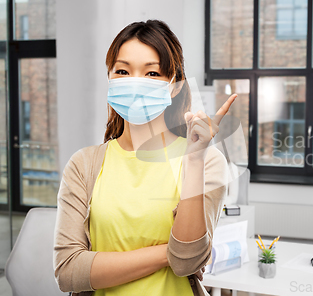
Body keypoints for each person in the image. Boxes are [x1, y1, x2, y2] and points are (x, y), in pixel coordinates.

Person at [53, 20, 236, 296]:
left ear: (174, 85)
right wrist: (167, 254)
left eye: (151, 73)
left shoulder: (206, 161)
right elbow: (68, 272)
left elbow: (187, 261)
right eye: (123, 71)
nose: (135, 82)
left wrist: (195, 160)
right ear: (110, 79)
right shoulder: (84, 165)